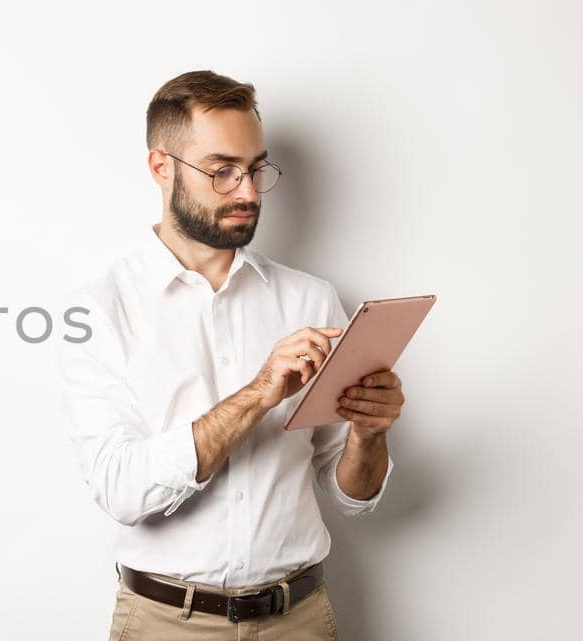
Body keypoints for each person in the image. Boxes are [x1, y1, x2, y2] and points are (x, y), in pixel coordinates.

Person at [60, 70, 403, 641]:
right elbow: (120, 489)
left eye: (255, 169)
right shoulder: (101, 310)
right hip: (166, 624)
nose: (247, 191)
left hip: (299, 619)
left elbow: (353, 498)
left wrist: (370, 433)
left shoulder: (310, 298)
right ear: (160, 167)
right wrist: (258, 392)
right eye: (221, 171)